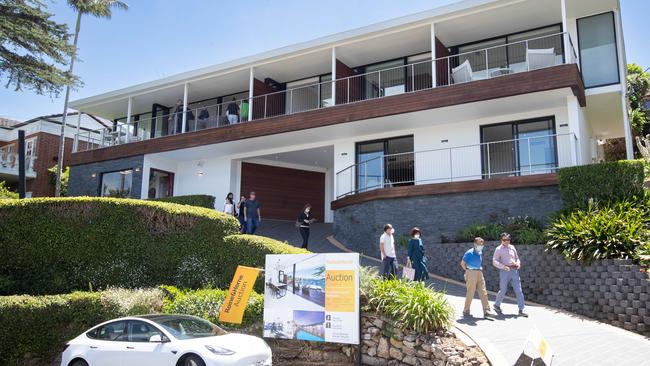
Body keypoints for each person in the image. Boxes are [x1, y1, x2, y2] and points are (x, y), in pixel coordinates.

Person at [492, 232, 528, 317]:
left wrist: (518, 263)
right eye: (505, 240)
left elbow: (517, 258)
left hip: (514, 271)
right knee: (503, 290)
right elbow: (494, 261)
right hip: (505, 271)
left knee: (519, 290)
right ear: (501, 240)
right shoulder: (498, 249)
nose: (507, 241)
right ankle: (497, 305)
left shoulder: (512, 247)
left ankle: (521, 309)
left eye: (508, 239)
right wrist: (503, 267)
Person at [460, 237, 492, 318]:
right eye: (479, 244)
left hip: (479, 272)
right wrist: (468, 271)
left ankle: (486, 310)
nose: (481, 245)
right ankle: (466, 310)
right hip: (471, 272)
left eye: (482, 244)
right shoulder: (469, 253)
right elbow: (462, 263)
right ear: (475, 244)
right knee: (470, 292)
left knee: (483, 292)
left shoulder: (480, 252)